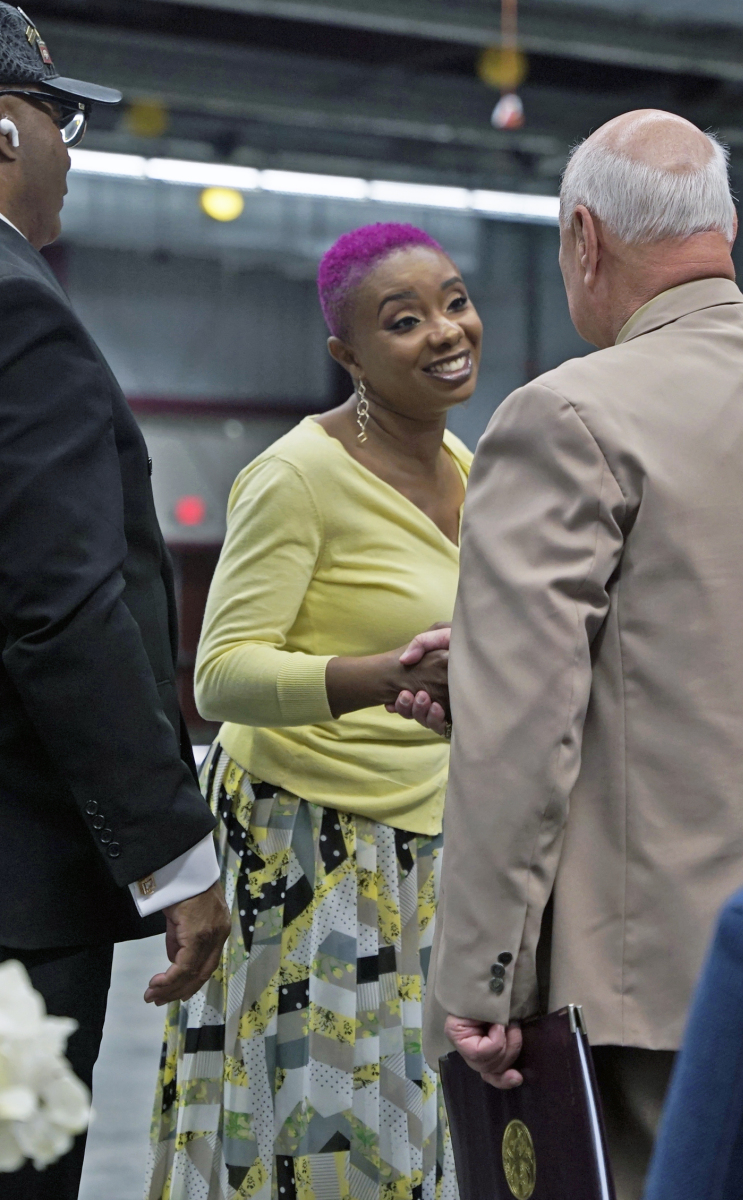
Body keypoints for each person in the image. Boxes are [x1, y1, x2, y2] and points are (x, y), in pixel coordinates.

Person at [422, 109, 743, 1200]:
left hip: (658, 991)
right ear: (725, 229)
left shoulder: (570, 418)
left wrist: (481, 975)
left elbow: (522, 729)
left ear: (584, 239)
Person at [146, 222, 482, 1200]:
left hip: (423, 841)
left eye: (455, 302)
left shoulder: (466, 465)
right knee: (308, 1127)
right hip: (301, 841)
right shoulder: (296, 474)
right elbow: (220, 674)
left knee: (407, 1120)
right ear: (348, 354)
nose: (444, 331)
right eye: (403, 320)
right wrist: (373, 676)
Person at [0, 7, 230, 1197]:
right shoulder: (16, 305)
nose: (69, 150)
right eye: (60, 116)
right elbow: (64, 611)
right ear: (3, 128)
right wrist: (172, 859)